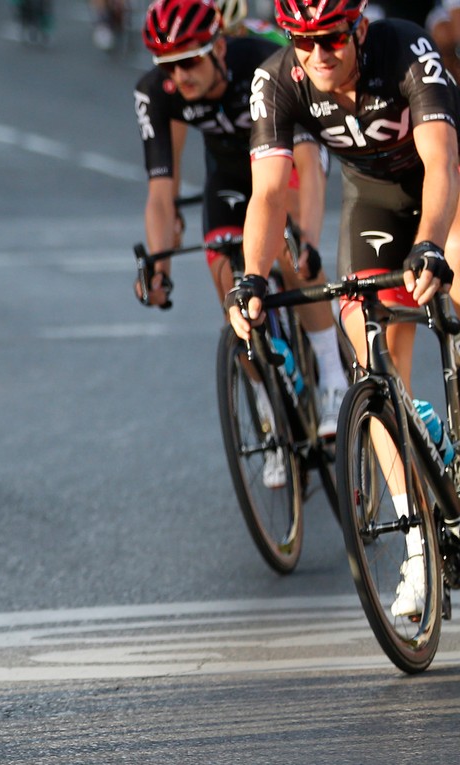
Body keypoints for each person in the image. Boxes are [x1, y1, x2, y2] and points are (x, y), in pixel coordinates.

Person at [225, 0, 460, 618]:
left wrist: (431, 244)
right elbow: (270, 192)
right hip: (375, 201)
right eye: (304, 41)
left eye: (331, 38)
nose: (319, 53)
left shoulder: (403, 48)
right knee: (369, 354)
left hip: (448, 191)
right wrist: (250, 278)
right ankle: (417, 548)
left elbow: (442, 160)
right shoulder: (277, 81)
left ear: (356, 29)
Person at [134, 0, 349, 469]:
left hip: (289, 157)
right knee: (225, 279)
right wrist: (159, 266)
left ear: (219, 46)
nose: (180, 77)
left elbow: (309, 166)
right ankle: (269, 407)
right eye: (169, 66)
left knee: (291, 253)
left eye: (190, 61)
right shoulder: (157, 90)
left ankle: (333, 374)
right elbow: (159, 192)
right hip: (231, 173)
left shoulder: (261, 62)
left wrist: (308, 240)